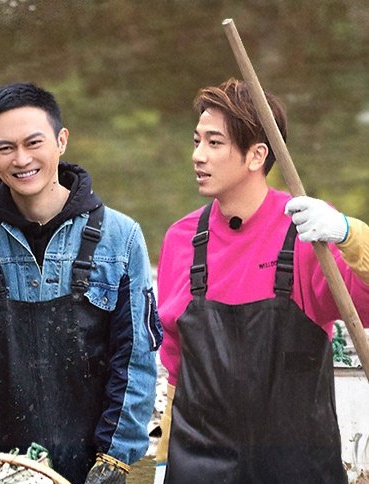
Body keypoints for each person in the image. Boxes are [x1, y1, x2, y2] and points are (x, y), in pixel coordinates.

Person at [0, 82, 162, 484]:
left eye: (34, 143)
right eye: (5, 147)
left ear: (61, 141)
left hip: (90, 467)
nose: (22, 159)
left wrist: (114, 460)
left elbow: (135, 361)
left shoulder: (121, 238)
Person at [154, 78, 369, 483]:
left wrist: (348, 233)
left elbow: (366, 305)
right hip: (200, 470)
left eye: (214, 143)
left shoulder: (306, 233)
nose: (198, 155)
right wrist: (164, 460)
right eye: (196, 141)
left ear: (256, 155)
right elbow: (176, 363)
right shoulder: (181, 240)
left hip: (299, 472)